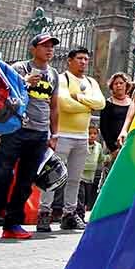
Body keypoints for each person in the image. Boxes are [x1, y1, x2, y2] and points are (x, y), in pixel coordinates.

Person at [0, 33, 60, 239]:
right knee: (1, 175)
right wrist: (25, 82)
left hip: (40, 132)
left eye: (52, 46)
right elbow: (6, 94)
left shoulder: (53, 74)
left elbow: (54, 105)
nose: (49, 49)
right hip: (16, 129)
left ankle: (13, 223)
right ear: (33, 49)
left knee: (26, 180)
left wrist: (54, 133)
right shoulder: (18, 68)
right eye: (44, 46)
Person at [52, 47, 105, 230]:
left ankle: (69, 214)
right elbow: (64, 103)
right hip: (63, 134)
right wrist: (87, 105)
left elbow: (101, 103)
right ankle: (44, 212)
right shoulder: (62, 78)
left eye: (86, 59)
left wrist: (79, 98)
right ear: (70, 60)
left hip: (82, 137)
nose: (83, 62)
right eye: (80, 58)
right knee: (52, 175)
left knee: (76, 178)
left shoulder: (91, 82)